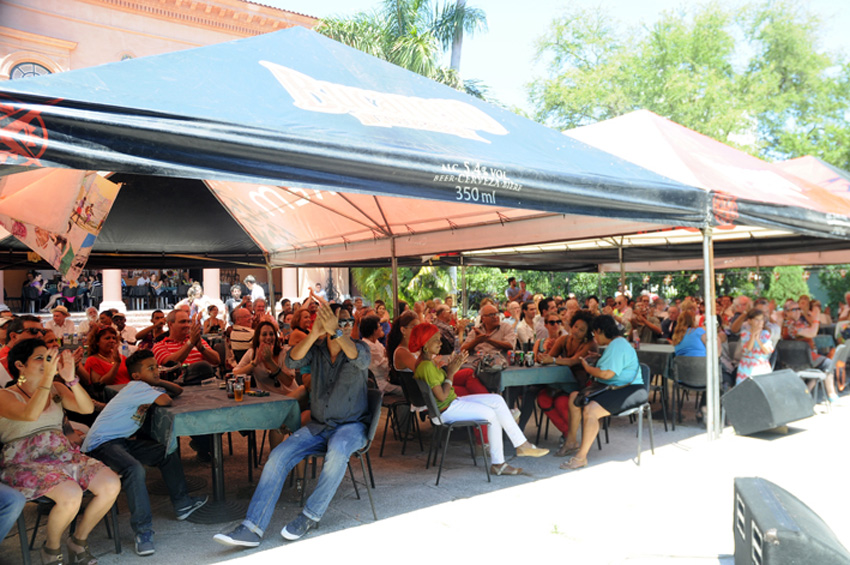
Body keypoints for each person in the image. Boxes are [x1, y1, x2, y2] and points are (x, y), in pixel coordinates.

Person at [213, 301, 370, 547]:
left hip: (351, 426)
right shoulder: (316, 349)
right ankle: (252, 528)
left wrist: (337, 332)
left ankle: (309, 515)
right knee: (278, 455)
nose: (346, 325)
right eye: (340, 321)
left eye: (349, 321)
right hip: (319, 426)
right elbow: (293, 360)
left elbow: (356, 358)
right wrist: (317, 333)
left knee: (338, 451)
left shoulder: (360, 348)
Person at [0, 339, 121, 565]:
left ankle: (78, 540)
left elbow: (86, 408)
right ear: (19, 365)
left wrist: (71, 379)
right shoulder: (4, 396)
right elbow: (30, 414)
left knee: (110, 484)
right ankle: (51, 548)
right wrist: (47, 379)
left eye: (49, 358)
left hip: (63, 454)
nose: (48, 363)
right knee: (71, 494)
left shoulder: (56, 388)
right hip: (23, 462)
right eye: (40, 358)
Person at [82, 349, 207, 556]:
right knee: (134, 469)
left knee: (166, 451)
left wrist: (156, 381)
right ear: (136, 376)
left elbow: (177, 391)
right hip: (101, 445)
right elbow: (166, 400)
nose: (156, 370)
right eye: (151, 368)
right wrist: (155, 384)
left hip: (119, 442)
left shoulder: (144, 386)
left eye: (156, 366)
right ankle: (143, 530)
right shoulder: (138, 387)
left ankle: (183, 504)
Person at [411, 323, 548, 476]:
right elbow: (442, 396)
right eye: (436, 340)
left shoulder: (427, 363)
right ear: (425, 343)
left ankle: (520, 444)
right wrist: (450, 373)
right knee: (492, 414)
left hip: (452, 404)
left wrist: (448, 368)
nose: (440, 343)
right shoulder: (426, 366)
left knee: (496, 400)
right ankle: (500, 462)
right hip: (446, 410)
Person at [561, 315, 646, 471]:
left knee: (591, 410)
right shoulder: (616, 344)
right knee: (574, 397)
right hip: (613, 387)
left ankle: (581, 457)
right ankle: (571, 442)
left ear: (599, 331)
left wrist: (587, 367)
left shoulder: (618, 345)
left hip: (630, 389)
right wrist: (600, 358)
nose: (595, 338)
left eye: (594, 334)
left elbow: (607, 374)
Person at [537, 310, 598, 453]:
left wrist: (551, 360)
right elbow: (549, 358)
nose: (576, 331)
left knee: (561, 402)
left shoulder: (590, 344)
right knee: (542, 399)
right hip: (559, 384)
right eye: (575, 326)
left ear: (588, 333)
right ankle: (568, 434)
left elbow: (573, 361)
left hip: (579, 387)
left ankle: (570, 437)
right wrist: (543, 355)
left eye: (581, 330)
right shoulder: (563, 339)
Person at [736, 309, 775, 385]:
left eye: (761, 320)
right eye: (757, 320)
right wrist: (753, 336)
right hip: (747, 366)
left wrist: (758, 339)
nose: (760, 322)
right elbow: (747, 350)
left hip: (761, 365)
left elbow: (767, 350)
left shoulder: (765, 334)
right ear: (750, 321)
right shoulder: (745, 334)